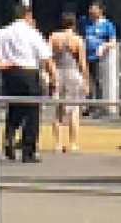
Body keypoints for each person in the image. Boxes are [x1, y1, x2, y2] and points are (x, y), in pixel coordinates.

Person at [0, 4, 55, 163]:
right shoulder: (32, 33)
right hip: (28, 72)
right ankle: (28, 149)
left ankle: (9, 138)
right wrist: (53, 77)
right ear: (28, 16)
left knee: (14, 107)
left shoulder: (4, 31)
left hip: (10, 72)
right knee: (32, 111)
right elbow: (46, 57)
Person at [48, 11, 90, 151]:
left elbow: (48, 57)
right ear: (74, 24)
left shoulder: (54, 37)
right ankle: (73, 143)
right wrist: (86, 81)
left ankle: (58, 144)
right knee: (74, 110)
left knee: (57, 111)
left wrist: (51, 74)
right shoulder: (78, 40)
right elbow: (83, 63)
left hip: (58, 73)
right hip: (73, 74)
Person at [81, 0, 121, 113]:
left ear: (100, 10)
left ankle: (99, 106)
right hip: (85, 56)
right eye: (90, 9)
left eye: (94, 9)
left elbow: (113, 41)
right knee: (87, 80)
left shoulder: (107, 24)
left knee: (98, 81)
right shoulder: (85, 22)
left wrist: (103, 46)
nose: (91, 11)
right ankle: (89, 105)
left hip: (99, 57)